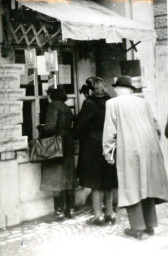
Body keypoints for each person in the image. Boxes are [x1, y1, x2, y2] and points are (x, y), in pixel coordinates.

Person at [103, 75, 168, 239]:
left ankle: (137, 228)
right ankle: (150, 225)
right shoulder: (143, 102)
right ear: (131, 89)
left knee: (131, 186)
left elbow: (110, 131)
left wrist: (108, 152)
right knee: (147, 186)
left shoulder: (112, 103)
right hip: (149, 147)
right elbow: (156, 126)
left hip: (129, 149)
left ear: (117, 88)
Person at [74, 77, 118, 226]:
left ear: (91, 89)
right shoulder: (111, 101)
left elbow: (80, 125)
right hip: (110, 142)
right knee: (108, 179)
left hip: (93, 144)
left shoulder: (90, 103)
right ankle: (110, 213)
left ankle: (98, 215)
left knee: (95, 181)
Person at [38, 85, 75, 219]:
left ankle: (59, 211)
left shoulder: (53, 106)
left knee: (56, 177)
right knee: (67, 177)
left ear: (51, 96)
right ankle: (70, 209)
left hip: (56, 144)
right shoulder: (66, 107)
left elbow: (50, 127)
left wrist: (40, 129)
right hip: (68, 142)